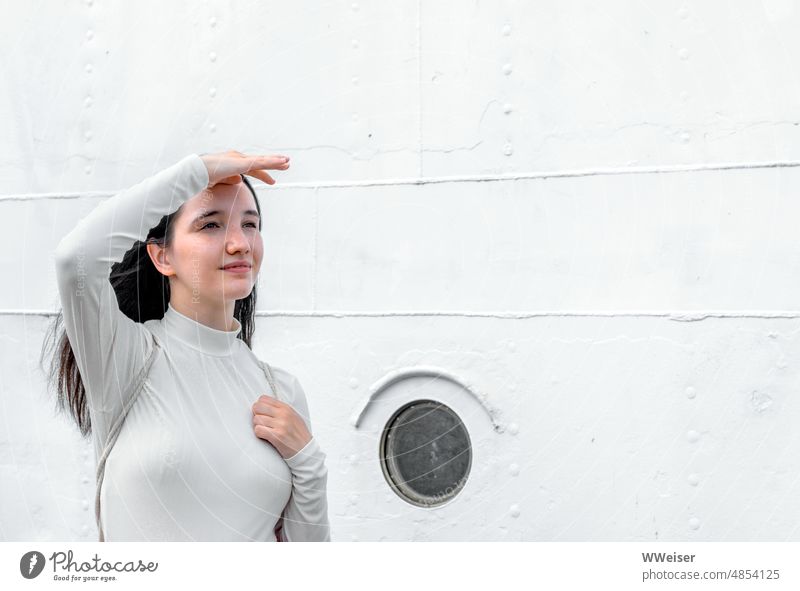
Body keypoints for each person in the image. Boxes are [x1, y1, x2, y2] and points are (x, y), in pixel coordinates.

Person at [41, 150, 330, 541]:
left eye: (250, 224)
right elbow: (75, 259)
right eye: (211, 225)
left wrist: (309, 463)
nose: (240, 243)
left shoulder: (282, 391)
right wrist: (198, 172)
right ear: (162, 256)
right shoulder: (128, 360)